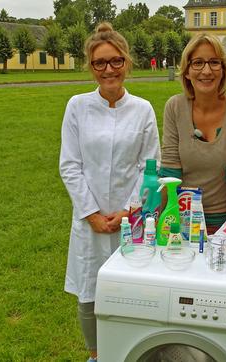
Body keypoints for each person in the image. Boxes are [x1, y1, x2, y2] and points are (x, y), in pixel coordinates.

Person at [59, 22, 160, 362]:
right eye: (100, 63)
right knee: (89, 296)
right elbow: (70, 165)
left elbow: (150, 166)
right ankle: (97, 355)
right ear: (91, 67)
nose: (108, 70)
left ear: (126, 62)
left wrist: (130, 210)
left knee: (132, 292)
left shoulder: (142, 109)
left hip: (129, 220)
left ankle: (131, 352)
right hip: (89, 220)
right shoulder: (77, 106)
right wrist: (91, 214)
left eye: (115, 61)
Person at [160, 33, 226, 234]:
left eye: (214, 62)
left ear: (224, 69)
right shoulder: (175, 107)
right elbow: (170, 173)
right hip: (181, 222)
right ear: (186, 71)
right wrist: (162, 225)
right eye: (198, 63)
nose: (206, 71)